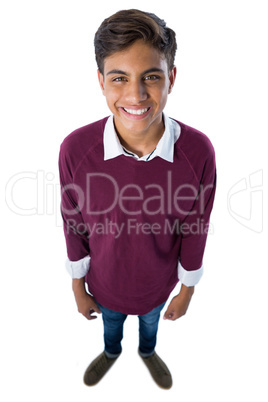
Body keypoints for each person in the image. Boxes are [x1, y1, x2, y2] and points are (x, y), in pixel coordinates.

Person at [59, 9, 216, 390]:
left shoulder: (197, 153)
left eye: (151, 76)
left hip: (157, 288)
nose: (136, 95)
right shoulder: (76, 149)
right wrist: (79, 288)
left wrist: (187, 290)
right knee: (111, 327)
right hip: (105, 286)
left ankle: (147, 352)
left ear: (171, 78)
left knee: (150, 328)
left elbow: (196, 229)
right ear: (101, 81)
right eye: (119, 78)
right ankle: (111, 351)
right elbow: (73, 223)